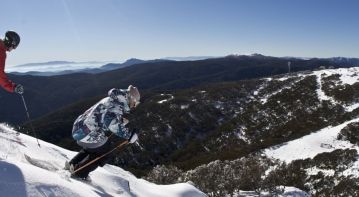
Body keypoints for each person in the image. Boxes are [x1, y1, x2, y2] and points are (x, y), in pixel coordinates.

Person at [66, 85, 140, 180]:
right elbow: (111, 122)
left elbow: (103, 117)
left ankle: (72, 164)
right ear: (130, 98)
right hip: (86, 132)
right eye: (135, 103)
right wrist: (129, 135)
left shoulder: (113, 100)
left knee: (96, 146)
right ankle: (79, 173)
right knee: (105, 152)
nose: (134, 106)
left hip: (79, 128)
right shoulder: (117, 105)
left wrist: (120, 120)